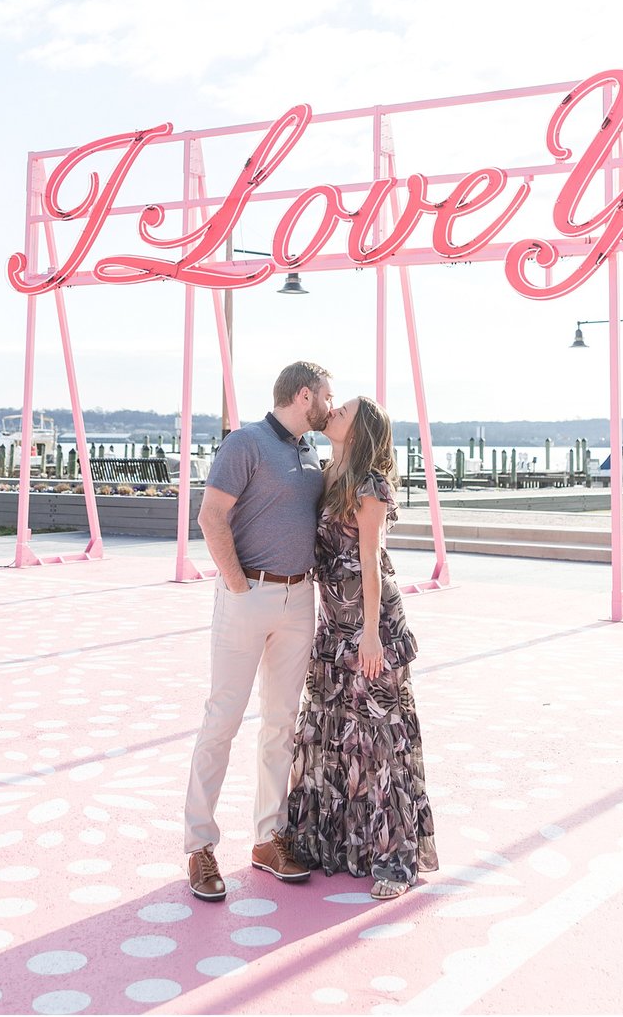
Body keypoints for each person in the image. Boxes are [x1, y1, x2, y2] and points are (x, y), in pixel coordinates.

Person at [183, 360, 333, 902]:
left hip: (299, 600)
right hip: (247, 595)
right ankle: (199, 846)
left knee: (279, 725)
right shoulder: (245, 443)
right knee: (221, 721)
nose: (329, 405)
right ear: (302, 395)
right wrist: (238, 588)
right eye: (325, 396)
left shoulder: (309, 451)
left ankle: (267, 838)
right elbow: (210, 516)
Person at [287, 395, 438, 899]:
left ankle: (395, 860)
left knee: (378, 739)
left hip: (369, 624)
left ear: (360, 428)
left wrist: (371, 632)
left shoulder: (371, 483)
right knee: (334, 735)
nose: (333, 413)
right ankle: (339, 844)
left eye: (344, 411)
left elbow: (370, 561)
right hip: (334, 626)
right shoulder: (329, 475)